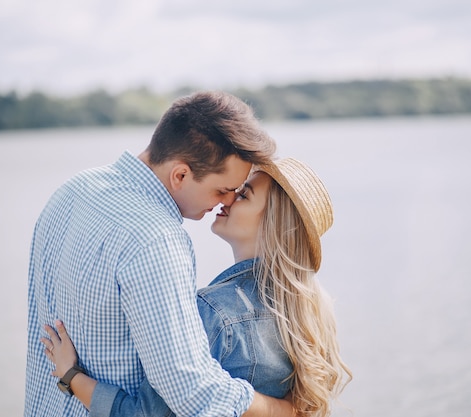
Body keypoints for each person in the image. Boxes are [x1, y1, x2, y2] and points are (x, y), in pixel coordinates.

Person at [25, 91, 294, 417]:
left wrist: (71, 378)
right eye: (222, 189)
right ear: (180, 174)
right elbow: (192, 392)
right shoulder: (156, 241)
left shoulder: (72, 191)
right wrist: (284, 410)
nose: (226, 202)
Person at [42, 157, 353, 417]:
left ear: (273, 224)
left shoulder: (214, 311)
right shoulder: (306, 314)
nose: (228, 197)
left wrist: (71, 376)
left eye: (243, 195)